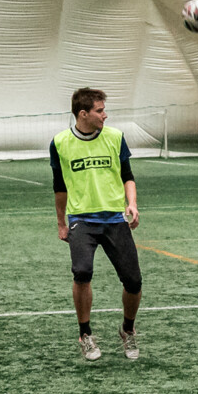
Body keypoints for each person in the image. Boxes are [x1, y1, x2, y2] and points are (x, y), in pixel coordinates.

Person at [51, 87, 142, 361]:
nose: (105, 115)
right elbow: (59, 187)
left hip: (114, 218)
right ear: (83, 114)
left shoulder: (115, 137)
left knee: (133, 281)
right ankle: (85, 334)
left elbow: (127, 176)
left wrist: (132, 203)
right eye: (99, 110)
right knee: (82, 272)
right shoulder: (60, 143)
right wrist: (61, 223)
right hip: (81, 220)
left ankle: (127, 329)